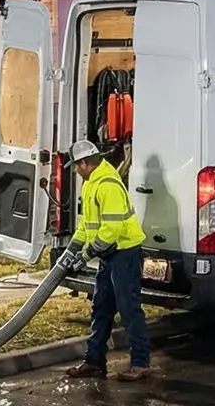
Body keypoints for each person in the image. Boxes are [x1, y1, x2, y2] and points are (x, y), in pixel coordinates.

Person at [62, 139, 152, 381]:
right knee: (101, 308)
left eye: (76, 166)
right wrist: (70, 251)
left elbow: (111, 230)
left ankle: (141, 364)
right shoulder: (91, 183)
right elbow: (86, 226)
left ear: (84, 163)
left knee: (128, 309)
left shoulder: (108, 185)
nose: (75, 171)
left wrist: (85, 256)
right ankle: (94, 362)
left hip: (124, 253)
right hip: (109, 255)